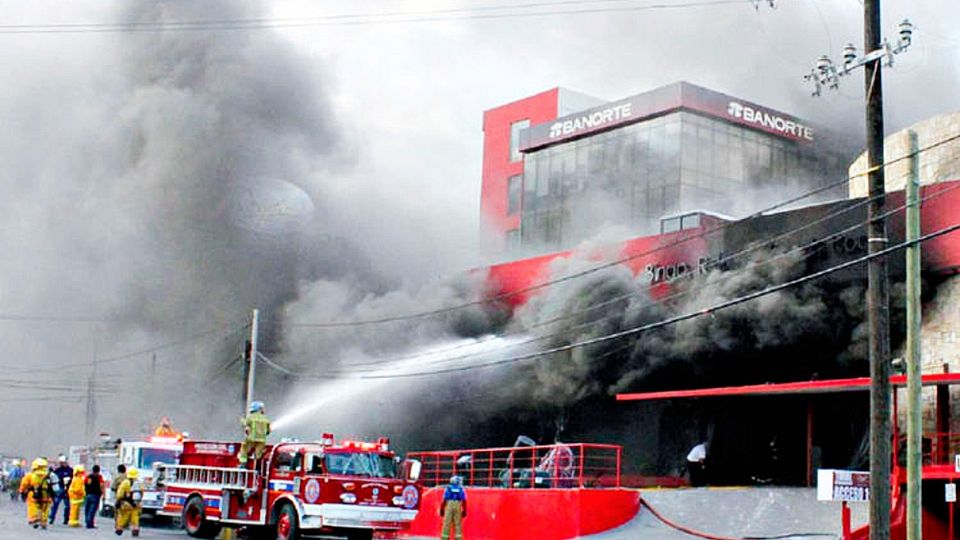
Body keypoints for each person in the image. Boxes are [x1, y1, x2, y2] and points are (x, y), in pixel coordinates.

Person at [19, 458, 56, 529]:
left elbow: (24, 484)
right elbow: (55, 485)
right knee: (45, 509)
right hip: (46, 496)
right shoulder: (50, 475)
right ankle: (43, 522)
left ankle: (34, 519)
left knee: (33, 507)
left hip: (33, 495)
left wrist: (22, 492)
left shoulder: (30, 475)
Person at [238, 401, 271, 466]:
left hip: (251, 439)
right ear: (259, 409)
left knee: (244, 450)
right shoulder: (265, 418)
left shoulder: (250, 417)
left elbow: (245, 423)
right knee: (258, 454)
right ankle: (256, 465)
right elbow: (268, 431)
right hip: (262, 440)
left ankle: (242, 464)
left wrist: (241, 420)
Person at [114, 468, 142, 537]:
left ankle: (119, 530)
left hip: (126, 503)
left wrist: (118, 501)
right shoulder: (139, 483)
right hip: (136, 503)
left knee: (123, 516)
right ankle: (135, 530)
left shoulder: (125, 482)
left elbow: (120, 493)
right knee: (135, 518)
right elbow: (142, 492)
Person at [440, 475, 467, 540]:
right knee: (458, 524)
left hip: (449, 505)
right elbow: (464, 501)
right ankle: (458, 538)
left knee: (446, 523)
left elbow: (444, 500)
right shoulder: (461, 489)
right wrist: (464, 510)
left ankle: (445, 538)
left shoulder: (448, 489)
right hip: (458, 505)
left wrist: (442, 509)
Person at [48, 455, 73, 525]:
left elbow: (72, 479)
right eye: (61, 463)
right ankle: (52, 517)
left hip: (67, 490)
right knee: (55, 504)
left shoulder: (70, 470)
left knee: (67, 506)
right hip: (59, 489)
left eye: (63, 463)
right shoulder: (58, 470)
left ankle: (66, 519)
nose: (62, 464)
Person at [84, 464, 104, 529]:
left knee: (87, 509)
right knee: (92, 510)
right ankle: (90, 524)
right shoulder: (99, 477)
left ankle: (87, 522)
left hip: (88, 495)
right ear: (98, 471)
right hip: (96, 495)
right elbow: (101, 485)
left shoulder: (88, 477)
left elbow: (85, 484)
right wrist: (103, 494)